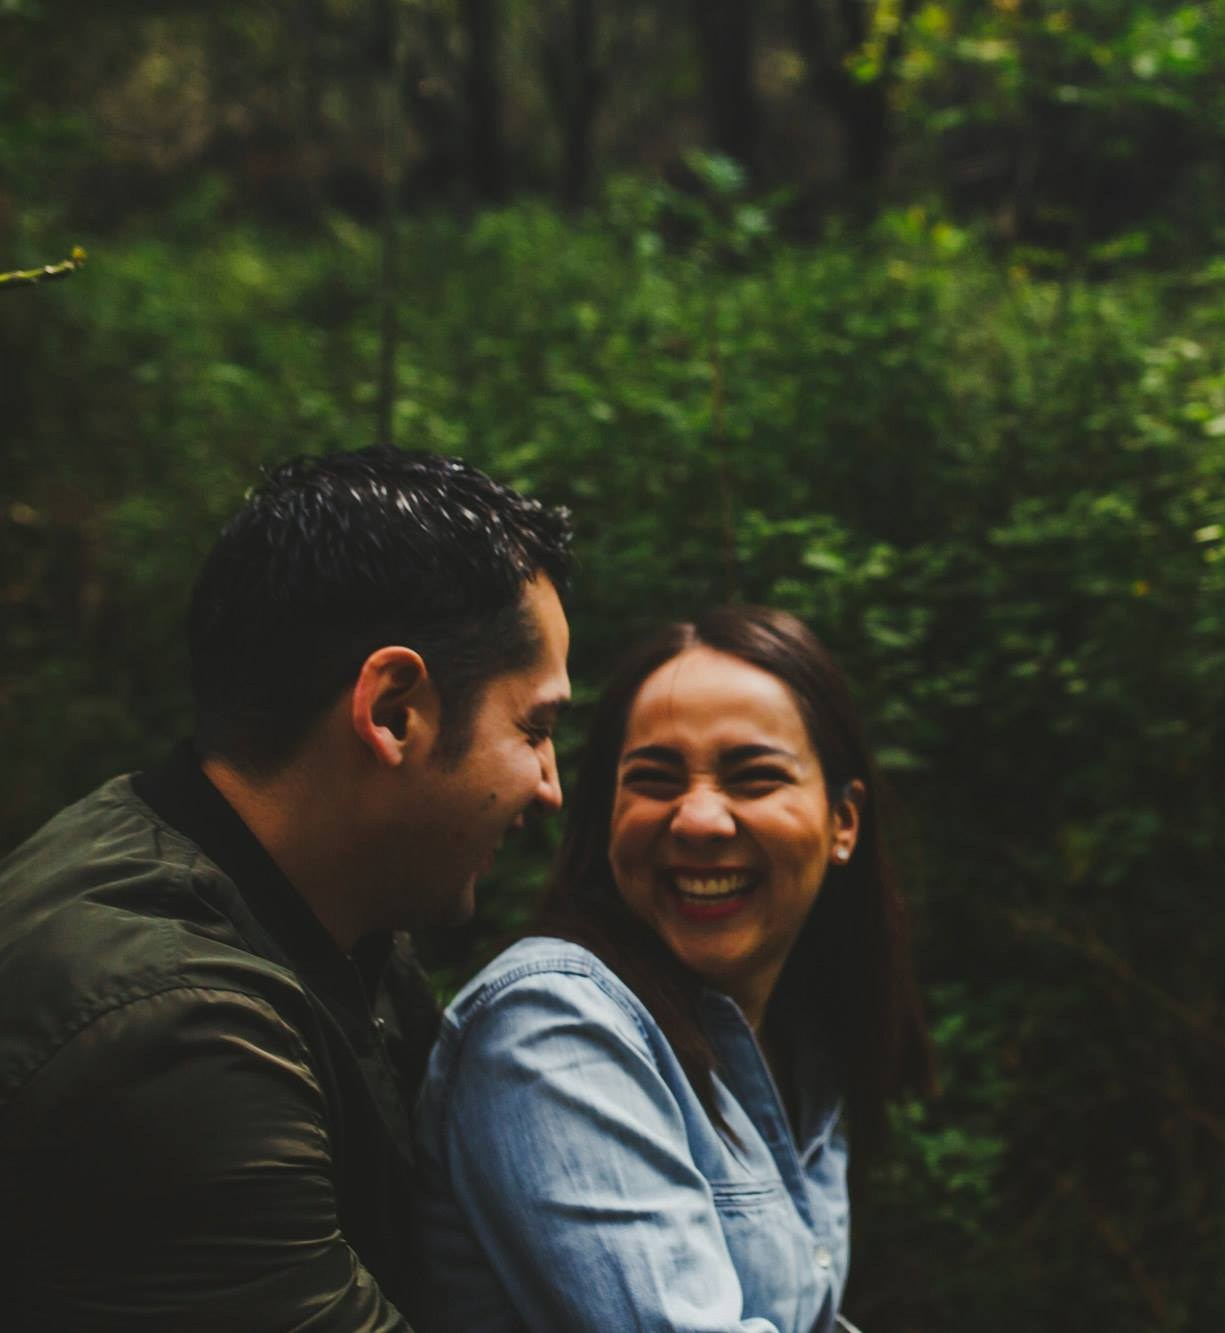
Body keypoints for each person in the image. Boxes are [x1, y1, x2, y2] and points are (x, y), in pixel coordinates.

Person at [0, 447, 574, 1329]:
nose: (550, 784)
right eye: (534, 727)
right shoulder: (172, 1038)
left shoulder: (327, 913)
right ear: (392, 712)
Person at [416, 605, 932, 1333]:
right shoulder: (554, 1030)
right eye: (654, 779)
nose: (697, 819)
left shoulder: (800, 1046)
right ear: (609, 814)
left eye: (753, 777)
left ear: (842, 821)